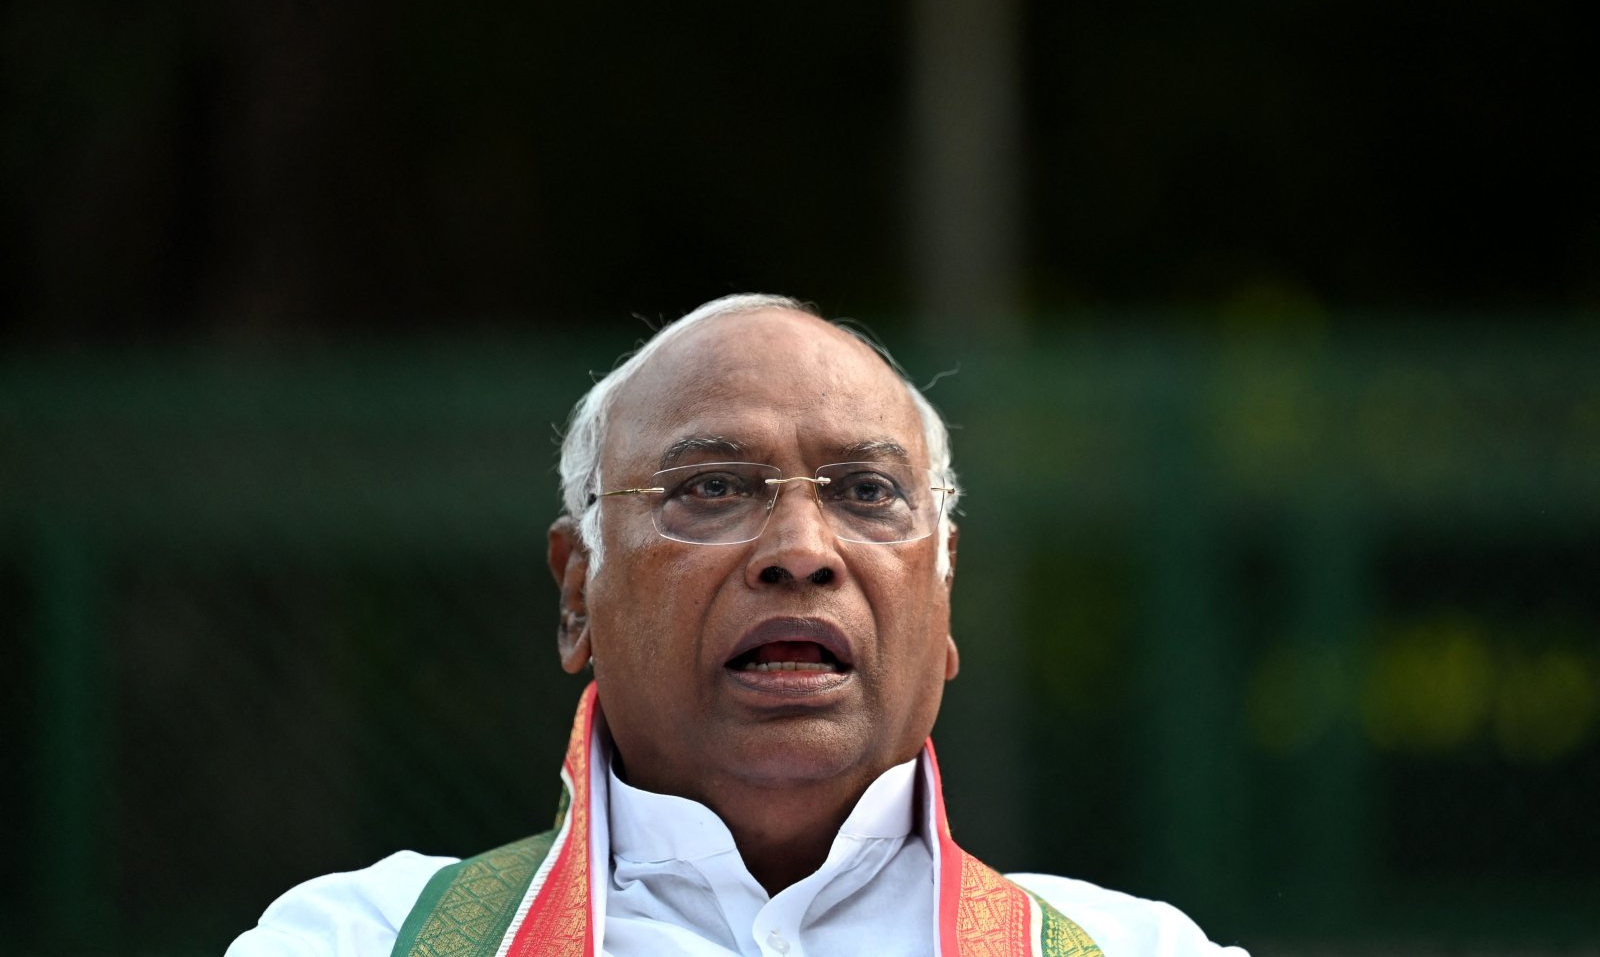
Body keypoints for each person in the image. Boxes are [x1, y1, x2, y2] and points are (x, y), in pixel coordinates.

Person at [227, 293, 1248, 956]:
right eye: (712, 487)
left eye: (864, 491)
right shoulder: (359, 941)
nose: (801, 547)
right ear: (577, 590)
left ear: (941, 603)